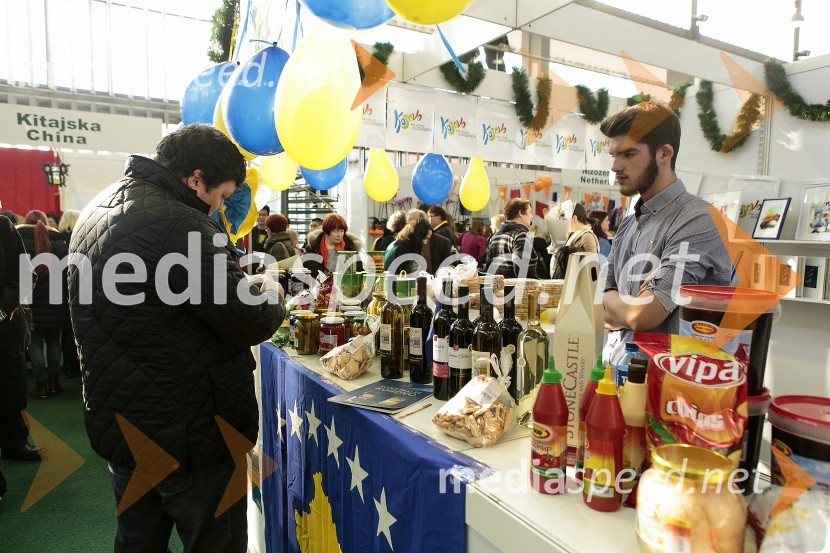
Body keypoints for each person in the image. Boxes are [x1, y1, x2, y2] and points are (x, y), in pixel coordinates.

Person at [68, 124, 284, 552]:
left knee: (136, 540)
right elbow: (249, 318)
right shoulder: (181, 226)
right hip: (189, 429)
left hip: (124, 422)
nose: (219, 207)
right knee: (214, 542)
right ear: (196, 178)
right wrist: (272, 290)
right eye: (220, 196)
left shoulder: (98, 207)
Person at [600, 101, 731, 363]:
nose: (615, 166)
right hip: (615, 377)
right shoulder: (629, 223)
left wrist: (619, 303)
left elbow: (644, 316)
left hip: (671, 392)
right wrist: (623, 303)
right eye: (613, 155)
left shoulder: (698, 219)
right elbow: (599, 304)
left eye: (628, 154)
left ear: (664, 153)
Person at [0, 211, 44, 462]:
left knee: (12, 390)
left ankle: (14, 441)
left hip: (5, 329)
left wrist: (2, 310)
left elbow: (25, 276)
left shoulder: (3, 227)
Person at [17, 210, 69, 399]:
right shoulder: (60, 246)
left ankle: (41, 387)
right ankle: (54, 384)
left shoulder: (20, 244)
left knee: (35, 344)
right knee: (54, 342)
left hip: (30, 303)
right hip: (56, 303)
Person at [485, 199, 546, 279]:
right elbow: (522, 272)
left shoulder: (495, 237)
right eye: (530, 212)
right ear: (521, 213)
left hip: (499, 289)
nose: (531, 216)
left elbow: (489, 269)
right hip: (517, 290)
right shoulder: (520, 235)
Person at [58, 209, 81, 378]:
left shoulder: (57, 242)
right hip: (78, 291)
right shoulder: (79, 240)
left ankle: (68, 367)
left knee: (66, 332)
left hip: (59, 293)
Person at [551, 203, 599, 279]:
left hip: (578, 286)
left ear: (574, 218)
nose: (562, 222)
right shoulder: (572, 236)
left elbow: (592, 269)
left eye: (564, 219)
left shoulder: (587, 236)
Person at [406, 209, 452, 274]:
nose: (409, 227)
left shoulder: (443, 242)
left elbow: (447, 269)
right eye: (408, 223)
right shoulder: (407, 241)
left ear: (425, 222)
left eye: (414, 222)